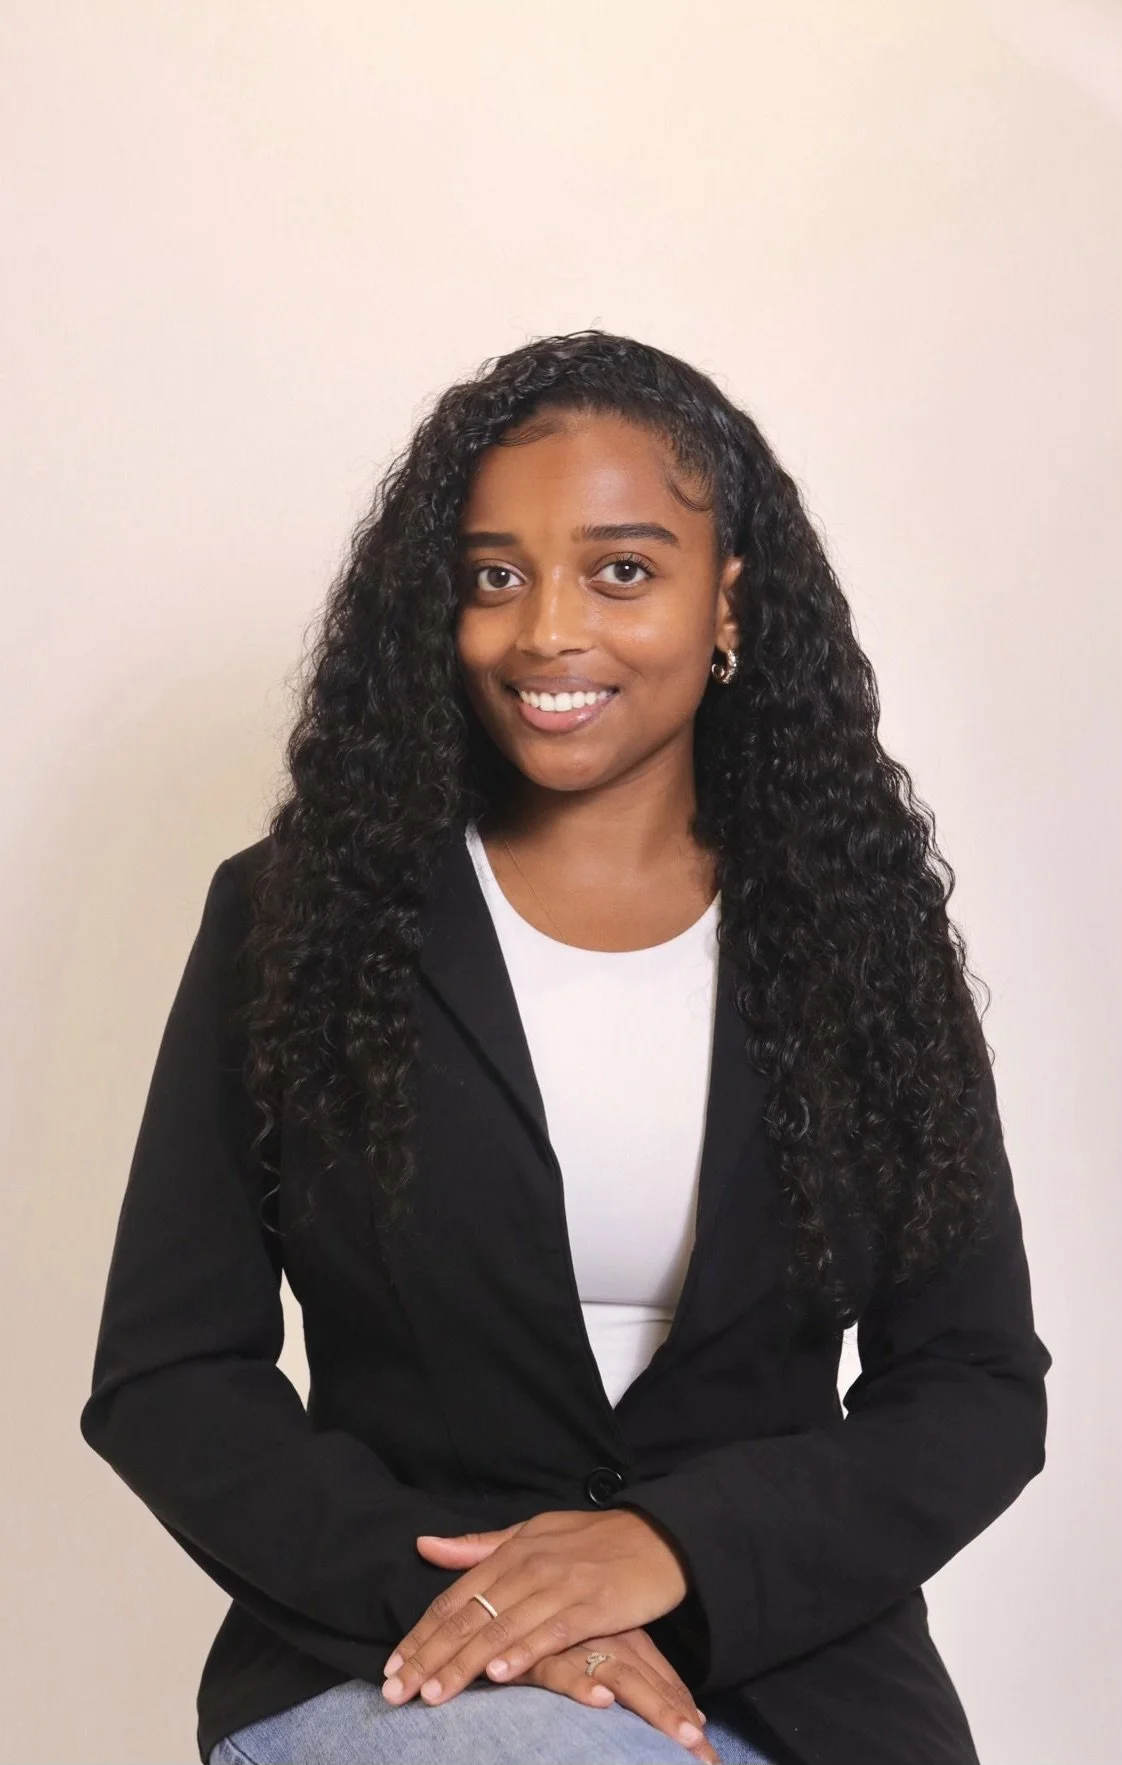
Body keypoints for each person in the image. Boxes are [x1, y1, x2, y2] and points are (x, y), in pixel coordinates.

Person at [80, 329, 1051, 1765]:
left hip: (796, 1673)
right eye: (493, 577)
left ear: (728, 602)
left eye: (621, 571)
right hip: (395, 1658)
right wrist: (488, 1609)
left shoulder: (860, 937)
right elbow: (169, 1377)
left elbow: (973, 1386)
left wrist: (672, 1551)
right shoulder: (296, 918)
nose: (545, 631)